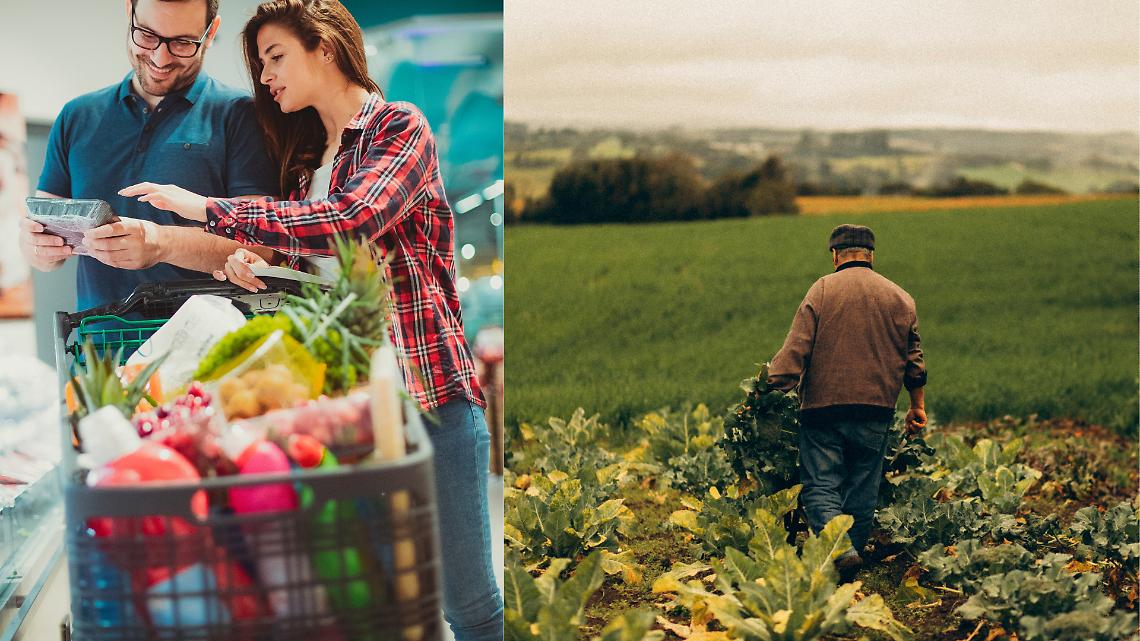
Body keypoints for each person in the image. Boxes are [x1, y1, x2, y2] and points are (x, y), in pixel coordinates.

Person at [118, 1, 504, 638]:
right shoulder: (308, 168)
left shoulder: (398, 128)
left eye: (276, 57)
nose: (266, 77)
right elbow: (309, 260)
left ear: (324, 46)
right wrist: (248, 265)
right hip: (352, 414)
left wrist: (210, 209)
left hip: (430, 399)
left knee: (467, 603)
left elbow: (353, 221)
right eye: (260, 64)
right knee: (384, 603)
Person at [19, 0, 277, 311]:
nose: (160, 57)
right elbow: (41, 240)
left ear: (211, 33)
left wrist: (159, 243)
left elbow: (264, 248)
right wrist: (36, 246)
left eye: (182, 42)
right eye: (146, 35)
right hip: (98, 349)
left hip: (208, 350)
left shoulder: (242, 115)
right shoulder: (77, 116)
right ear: (129, 12)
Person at [767, 224, 927, 582]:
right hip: (876, 409)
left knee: (821, 485)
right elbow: (914, 361)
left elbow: (796, 350)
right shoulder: (900, 297)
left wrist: (769, 386)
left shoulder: (822, 290)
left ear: (835, 255)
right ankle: (848, 570)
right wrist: (917, 406)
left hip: (823, 409)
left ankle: (840, 551)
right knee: (862, 487)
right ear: (871, 255)